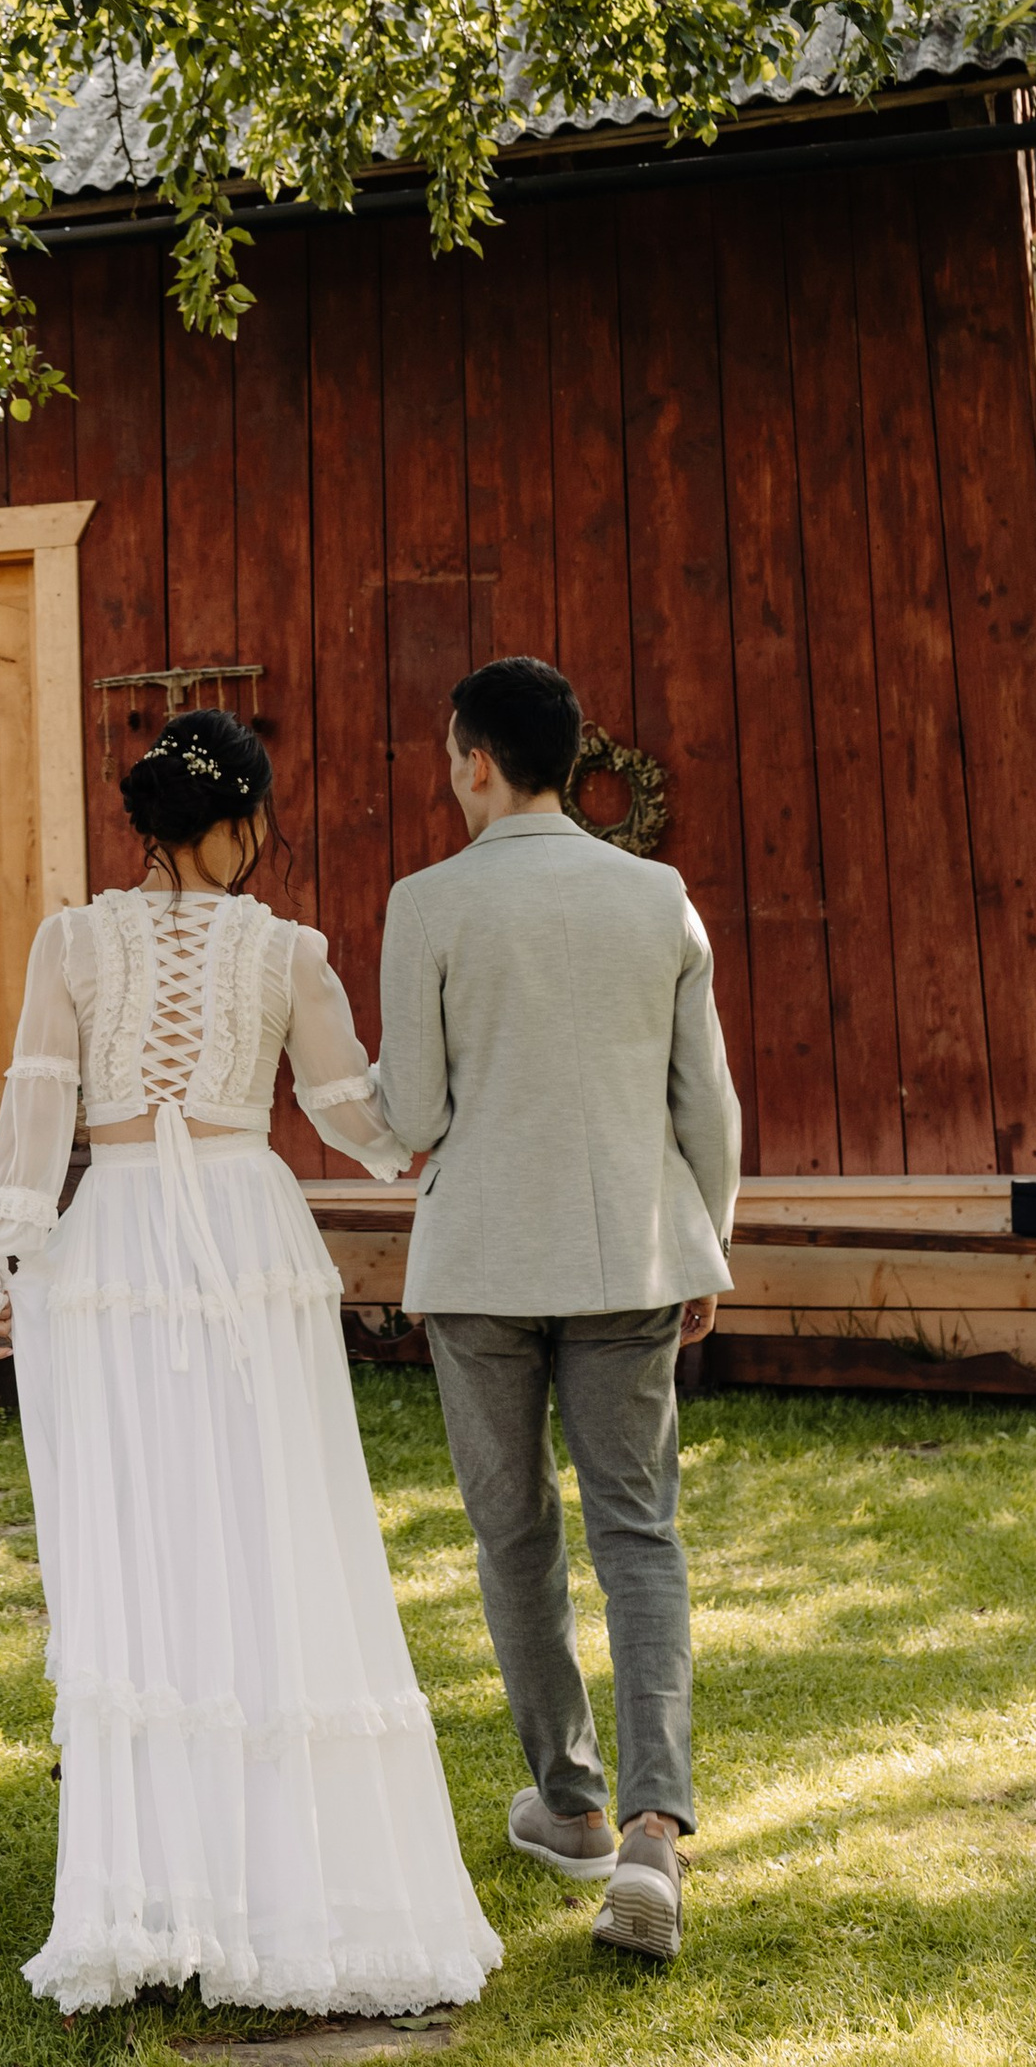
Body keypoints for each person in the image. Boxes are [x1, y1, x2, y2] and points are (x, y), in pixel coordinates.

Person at [0, 709, 501, 2021]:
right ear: (244, 819)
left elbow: (36, 1107)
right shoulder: (288, 949)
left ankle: (161, 1891)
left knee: (147, 1552)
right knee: (272, 1538)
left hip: (118, 1253)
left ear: (148, 823)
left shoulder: (71, 940)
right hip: (245, 1244)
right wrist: (458, 1124)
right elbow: (356, 1118)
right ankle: (272, 1879)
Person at [375, 654, 740, 1969]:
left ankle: (571, 1802)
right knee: (640, 1533)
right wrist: (711, 1242)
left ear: (474, 757)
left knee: (512, 1530)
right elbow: (705, 1100)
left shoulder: (426, 903)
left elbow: (413, 1116)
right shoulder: (657, 896)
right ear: (572, 759)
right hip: (633, 1251)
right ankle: (652, 1832)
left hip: (479, 1264)